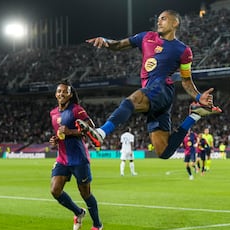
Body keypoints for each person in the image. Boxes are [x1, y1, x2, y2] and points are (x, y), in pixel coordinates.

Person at [76, 10, 222, 159]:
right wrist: (106, 41)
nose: (159, 22)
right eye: (158, 19)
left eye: (163, 19)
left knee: (130, 102)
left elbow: (186, 80)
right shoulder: (146, 37)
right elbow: (119, 45)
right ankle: (195, 116)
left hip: (162, 88)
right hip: (153, 94)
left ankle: (101, 133)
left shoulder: (183, 51)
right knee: (163, 151)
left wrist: (198, 96)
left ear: (175, 23)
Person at [49, 80, 103, 230]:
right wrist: (55, 140)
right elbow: (60, 134)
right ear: (55, 94)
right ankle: (78, 213)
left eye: (64, 91)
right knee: (55, 190)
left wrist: (71, 131)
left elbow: (90, 130)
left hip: (79, 158)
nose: (61, 94)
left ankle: (97, 225)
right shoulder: (53, 113)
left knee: (85, 194)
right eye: (59, 91)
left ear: (70, 94)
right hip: (62, 158)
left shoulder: (77, 110)